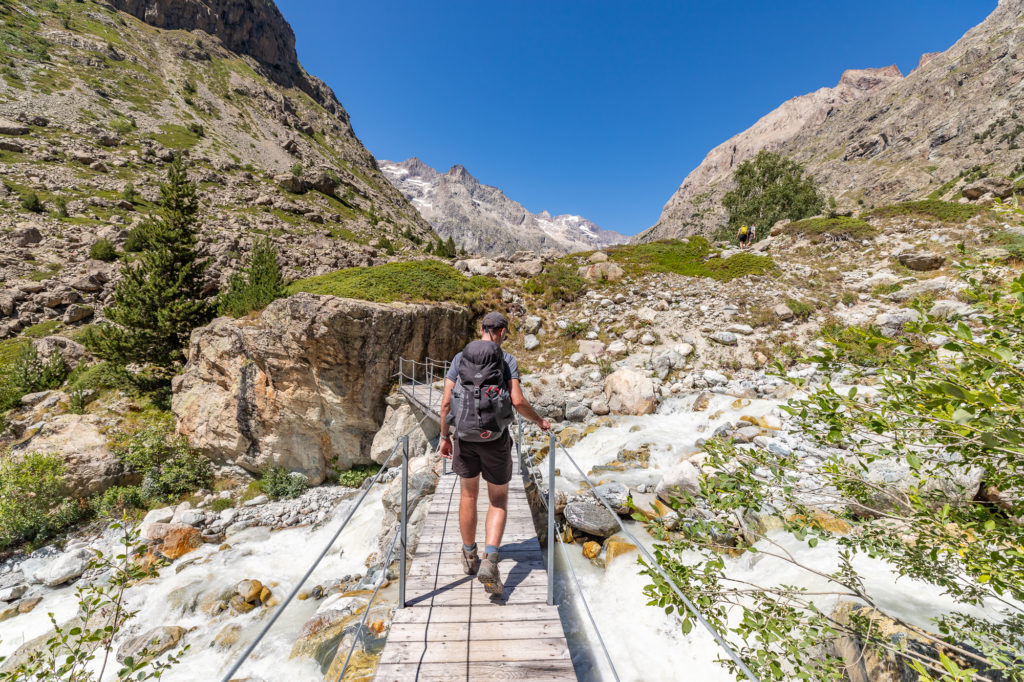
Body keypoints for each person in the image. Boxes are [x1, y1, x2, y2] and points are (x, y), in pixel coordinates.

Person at [439, 311, 551, 595]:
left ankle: (468, 554)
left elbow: (444, 405)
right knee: (498, 500)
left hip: (464, 437)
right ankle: (490, 559)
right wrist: (539, 421)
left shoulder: (459, 358)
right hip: (496, 439)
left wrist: (444, 437)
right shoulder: (506, 360)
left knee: (468, 495)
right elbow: (517, 400)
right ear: (501, 332)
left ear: (481, 329)